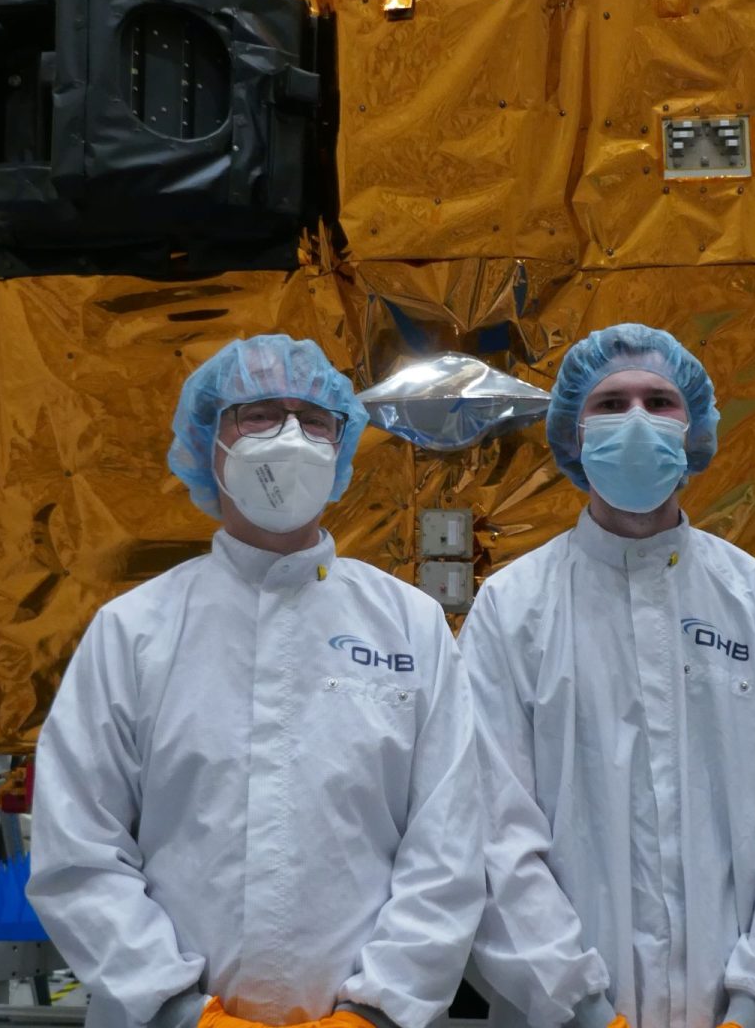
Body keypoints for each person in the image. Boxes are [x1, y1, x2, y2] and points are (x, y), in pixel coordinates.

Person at [28, 334, 485, 1028]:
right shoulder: (135, 631)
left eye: (314, 419)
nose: (290, 437)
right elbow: (79, 850)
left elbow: (447, 848)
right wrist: (181, 1009)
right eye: (258, 414)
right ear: (209, 440)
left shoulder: (410, 627)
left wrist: (378, 1010)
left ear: (341, 445)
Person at [460, 323, 755, 1028]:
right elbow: (494, 829)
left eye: (658, 402)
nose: (635, 420)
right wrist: (576, 1004)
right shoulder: (512, 609)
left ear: (693, 428)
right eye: (610, 404)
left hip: (738, 1008)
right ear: (572, 435)